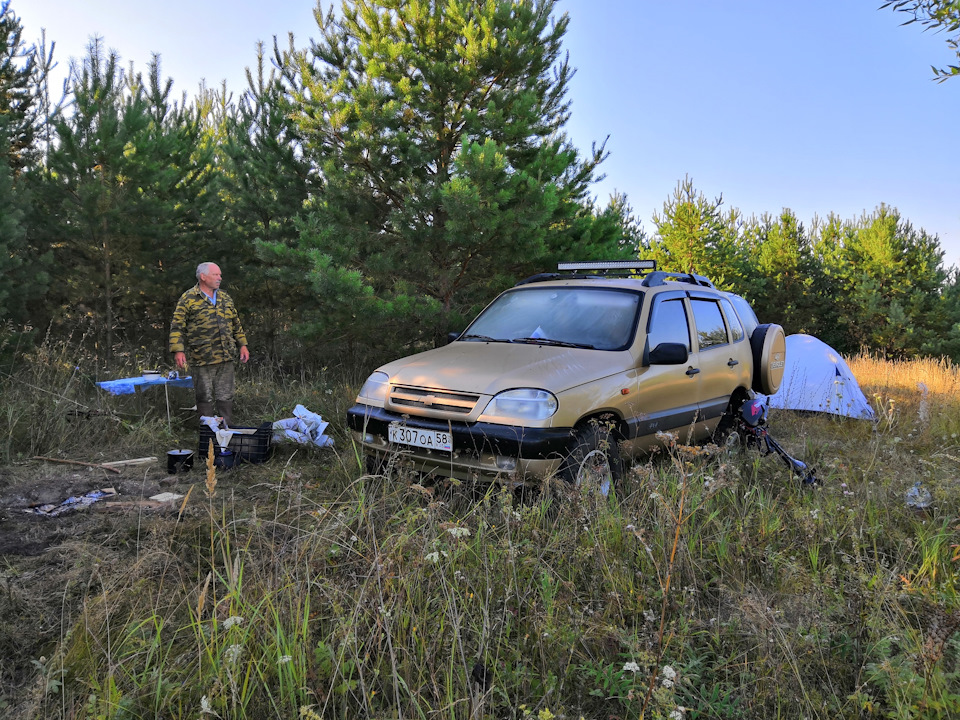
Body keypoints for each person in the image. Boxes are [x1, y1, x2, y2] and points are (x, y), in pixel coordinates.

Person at [169, 262, 249, 427]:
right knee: (204, 396)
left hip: (225, 356)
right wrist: (178, 350)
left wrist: (242, 344)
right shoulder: (188, 298)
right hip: (202, 357)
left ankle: (226, 429)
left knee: (225, 394)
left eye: (220, 275)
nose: (220, 278)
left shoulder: (224, 297)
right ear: (203, 277)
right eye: (216, 275)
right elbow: (177, 326)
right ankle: (208, 432)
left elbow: (236, 323)